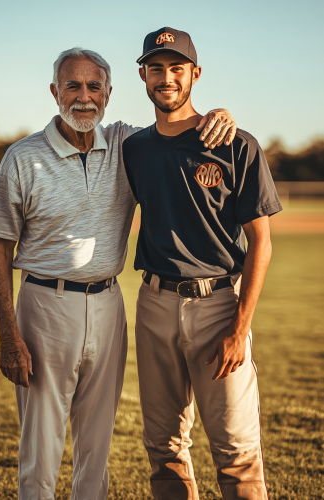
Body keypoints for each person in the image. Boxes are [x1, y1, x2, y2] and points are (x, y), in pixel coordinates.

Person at [0, 46, 237, 500]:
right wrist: (9, 334)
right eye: (73, 86)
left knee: (96, 448)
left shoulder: (127, 143)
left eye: (94, 86)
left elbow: (175, 128)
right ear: (54, 91)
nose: (84, 97)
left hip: (108, 303)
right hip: (44, 306)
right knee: (40, 451)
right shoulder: (22, 157)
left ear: (110, 92)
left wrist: (219, 115)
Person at [123, 27, 283, 500]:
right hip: (153, 303)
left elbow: (261, 243)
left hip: (218, 306)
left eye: (176, 68)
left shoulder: (236, 144)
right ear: (143, 76)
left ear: (195, 74)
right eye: (156, 68)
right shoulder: (133, 149)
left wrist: (239, 327)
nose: (166, 78)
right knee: (163, 445)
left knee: (236, 449)